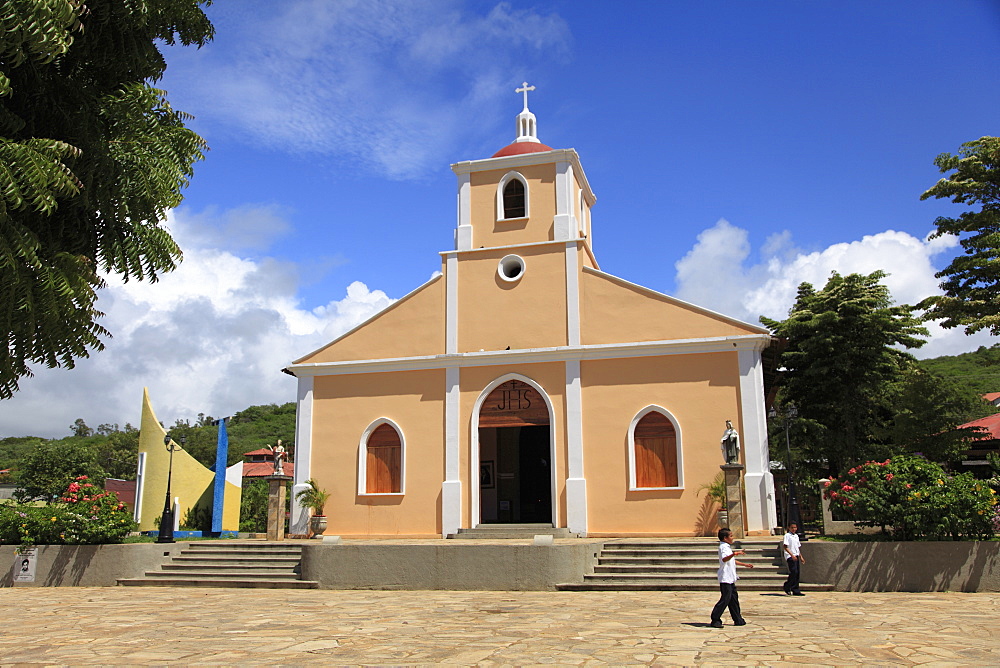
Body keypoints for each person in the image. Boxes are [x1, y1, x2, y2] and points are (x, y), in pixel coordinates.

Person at [710, 527, 754, 628]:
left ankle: (738, 619)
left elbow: (731, 560)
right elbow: (725, 559)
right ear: (725, 538)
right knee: (725, 599)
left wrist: (744, 564)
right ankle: (715, 619)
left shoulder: (727, 547)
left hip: (730, 578)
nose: (732, 538)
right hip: (725, 578)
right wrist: (735, 553)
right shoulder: (723, 547)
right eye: (731, 536)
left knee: (733, 599)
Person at [782, 522, 805, 596]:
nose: (794, 529)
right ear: (789, 528)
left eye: (795, 527)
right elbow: (785, 546)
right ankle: (787, 585)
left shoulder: (796, 536)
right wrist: (791, 555)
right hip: (790, 556)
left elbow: (797, 547)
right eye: (792, 527)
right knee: (793, 571)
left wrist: (801, 556)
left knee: (797, 573)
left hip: (796, 555)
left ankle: (795, 589)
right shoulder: (787, 536)